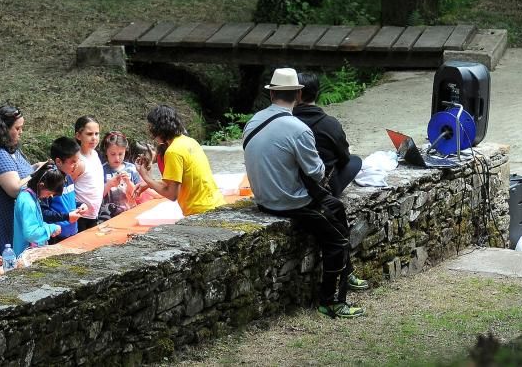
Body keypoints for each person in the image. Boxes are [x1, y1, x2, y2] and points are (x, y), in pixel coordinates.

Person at [242, 68, 369, 319]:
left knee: (336, 208)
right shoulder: (297, 129)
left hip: (262, 200)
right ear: (298, 95)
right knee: (337, 241)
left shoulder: (253, 121)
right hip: (290, 202)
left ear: (271, 95)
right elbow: (317, 172)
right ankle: (331, 301)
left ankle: (347, 272)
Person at [135, 105, 224, 216]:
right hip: (216, 204)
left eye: (151, 127)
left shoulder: (173, 152)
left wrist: (146, 177)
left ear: (159, 128)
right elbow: (180, 181)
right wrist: (150, 184)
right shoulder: (190, 141)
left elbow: (172, 194)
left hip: (200, 211)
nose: (150, 132)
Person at [294, 72, 363, 197]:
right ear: (317, 93)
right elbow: (344, 158)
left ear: (297, 94)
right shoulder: (330, 123)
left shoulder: (285, 122)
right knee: (355, 160)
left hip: (290, 183)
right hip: (322, 186)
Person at [0, 105, 33, 253]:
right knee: (9, 265)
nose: (21, 132)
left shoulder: (11, 149)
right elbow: (15, 189)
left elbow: (21, 172)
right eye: (17, 128)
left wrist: (36, 167)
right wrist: (38, 174)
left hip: (17, 218)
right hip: (5, 220)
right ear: (4, 129)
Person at [40, 137, 88, 243]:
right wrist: (67, 217)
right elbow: (43, 213)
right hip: (55, 236)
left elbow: (69, 202)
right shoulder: (50, 183)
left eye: (78, 160)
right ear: (58, 161)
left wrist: (80, 205)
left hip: (72, 232)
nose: (77, 165)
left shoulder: (69, 177)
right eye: (72, 162)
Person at [12, 162, 65, 256]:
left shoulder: (30, 196)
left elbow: (36, 223)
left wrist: (48, 228)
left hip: (29, 250)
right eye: (49, 193)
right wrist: (51, 228)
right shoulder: (28, 202)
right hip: (26, 254)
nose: (49, 197)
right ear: (41, 185)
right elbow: (31, 234)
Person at [71, 115, 108, 231]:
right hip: (80, 215)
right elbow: (68, 185)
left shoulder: (95, 154)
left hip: (94, 213)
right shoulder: (77, 161)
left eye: (96, 134)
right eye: (89, 134)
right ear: (78, 136)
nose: (94, 138)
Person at [98, 131, 142, 221]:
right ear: (106, 152)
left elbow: (138, 195)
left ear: (125, 151)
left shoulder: (132, 169)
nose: (117, 158)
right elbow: (98, 196)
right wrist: (109, 184)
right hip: (108, 215)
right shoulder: (101, 170)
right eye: (113, 154)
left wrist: (128, 182)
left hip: (130, 212)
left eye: (121, 154)